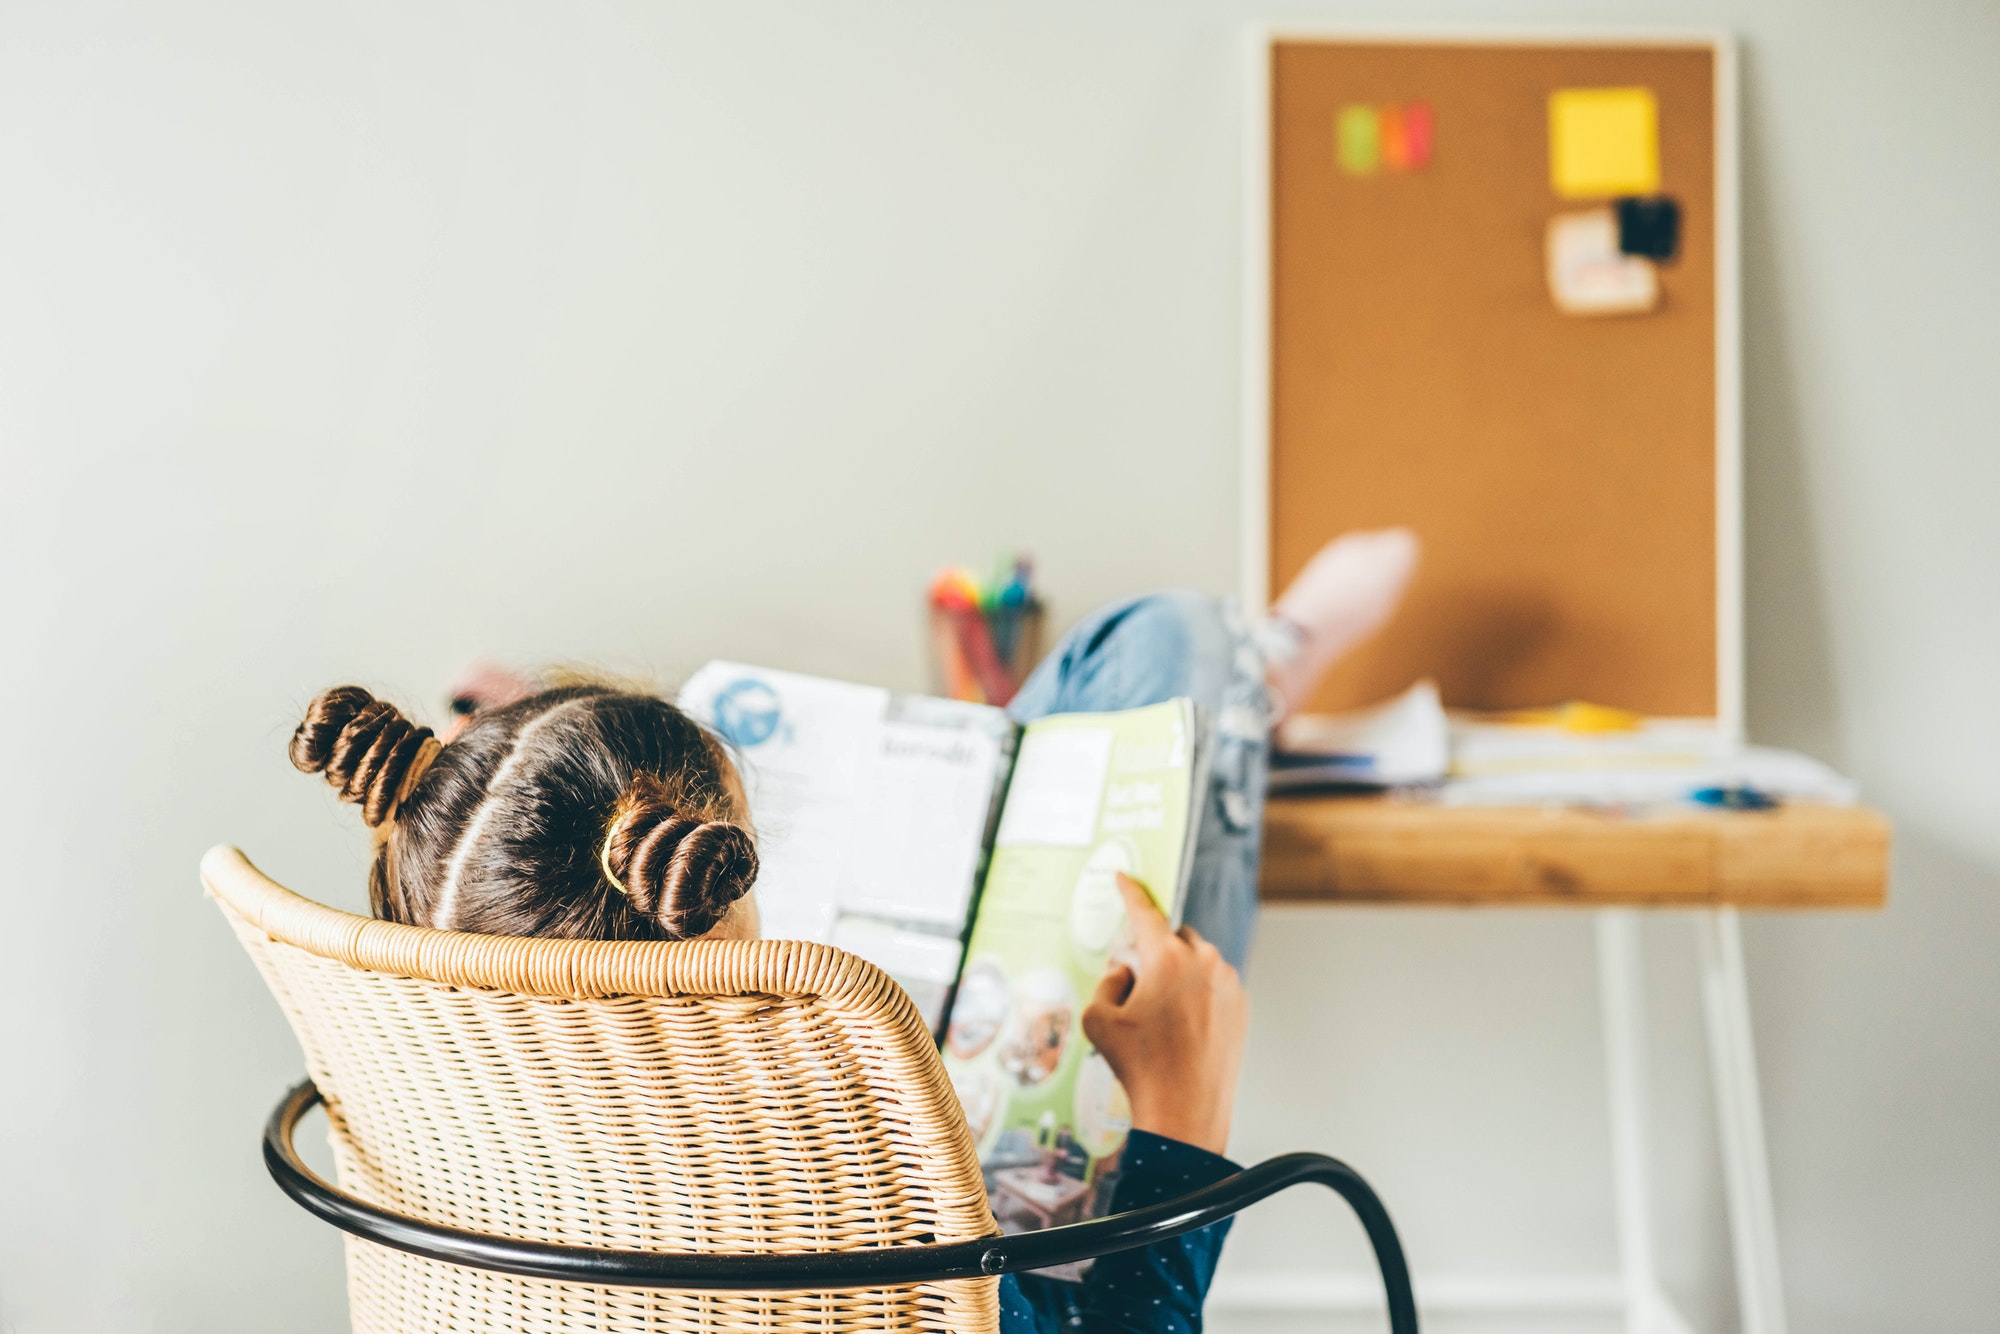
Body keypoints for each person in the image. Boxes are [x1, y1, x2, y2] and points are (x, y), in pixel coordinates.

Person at [290, 528, 1417, 1334]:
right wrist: (1183, 1113)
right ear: (716, 911)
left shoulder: (438, 1102)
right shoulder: (827, 1216)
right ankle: (1244, 679)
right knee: (1164, 652)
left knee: (1145, 660)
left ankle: (1204, 694)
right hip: (989, 1259)